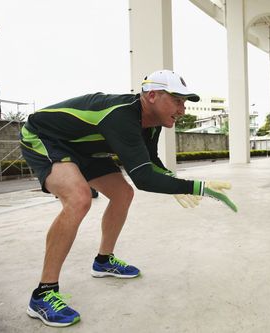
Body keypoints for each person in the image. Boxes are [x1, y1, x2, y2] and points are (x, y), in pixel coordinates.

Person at [20, 70, 237, 327]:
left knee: (123, 194)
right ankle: (43, 294)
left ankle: (103, 261)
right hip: (46, 137)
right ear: (153, 96)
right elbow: (144, 178)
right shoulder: (121, 115)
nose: (183, 109)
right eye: (177, 100)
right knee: (79, 198)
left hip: (84, 149)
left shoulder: (152, 123)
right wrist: (198, 187)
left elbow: (150, 163)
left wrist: (172, 181)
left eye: (185, 102)